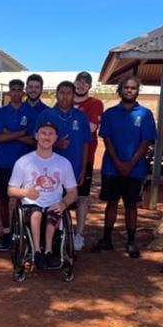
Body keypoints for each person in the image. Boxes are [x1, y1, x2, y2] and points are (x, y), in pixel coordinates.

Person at [93, 75, 156, 257]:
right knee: (111, 203)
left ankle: (131, 241)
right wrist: (119, 163)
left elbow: (146, 141)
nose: (129, 91)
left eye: (133, 88)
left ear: (137, 91)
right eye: (126, 88)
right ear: (120, 90)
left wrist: (130, 164)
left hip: (135, 170)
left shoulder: (145, 114)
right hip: (112, 168)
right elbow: (107, 139)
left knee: (131, 205)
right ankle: (106, 239)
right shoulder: (110, 114)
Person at [8, 121, 78, 275]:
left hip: (54, 204)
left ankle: (48, 251)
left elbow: (73, 191)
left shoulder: (63, 163)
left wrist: (64, 204)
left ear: (56, 138)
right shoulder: (24, 162)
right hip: (31, 204)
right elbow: (11, 190)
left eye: (50, 134)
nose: (47, 137)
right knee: (36, 214)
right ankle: (37, 252)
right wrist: (25, 192)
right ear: (36, 136)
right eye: (43, 133)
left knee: (54, 213)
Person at [0, 79, 33, 251]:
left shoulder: (30, 112)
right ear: (9, 92)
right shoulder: (1, 112)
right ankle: (7, 233)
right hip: (3, 162)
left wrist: (10, 133)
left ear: (23, 92)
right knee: (3, 199)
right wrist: (21, 132)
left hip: (25, 164)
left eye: (19, 90)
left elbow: (32, 140)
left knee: (23, 199)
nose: (16, 93)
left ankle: (21, 229)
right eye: (13, 90)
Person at [72, 71, 104, 251]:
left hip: (85, 158)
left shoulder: (94, 104)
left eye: (85, 83)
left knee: (82, 196)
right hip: (63, 158)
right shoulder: (66, 101)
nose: (81, 85)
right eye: (79, 81)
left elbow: (90, 128)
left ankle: (79, 234)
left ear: (90, 86)